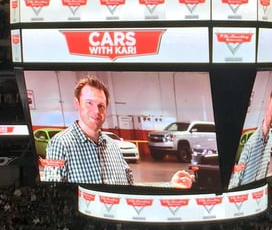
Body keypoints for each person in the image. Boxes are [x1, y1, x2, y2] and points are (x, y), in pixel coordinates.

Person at [42, 75, 193, 188]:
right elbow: (53, 193)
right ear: (77, 104)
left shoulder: (113, 146)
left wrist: (170, 185)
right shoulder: (59, 144)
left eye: (101, 105)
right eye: (89, 103)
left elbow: (131, 191)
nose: (96, 111)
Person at [229, 75, 272, 188]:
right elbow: (236, 180)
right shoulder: (250, 143)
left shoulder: (271, 138)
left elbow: (263, 175)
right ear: (268, 101)